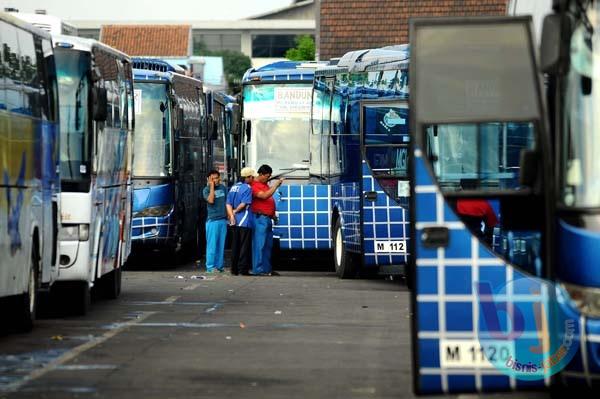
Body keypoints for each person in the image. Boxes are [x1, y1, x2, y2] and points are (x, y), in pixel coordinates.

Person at [250, 164, 283, 276]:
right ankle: (258, 269)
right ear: (261, 174)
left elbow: (268, 201)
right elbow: (264, 196)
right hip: (260, 218)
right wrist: (276, 186)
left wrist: (273, 215)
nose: (268, 178)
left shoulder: (264, 184)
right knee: (259, 245)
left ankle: (266, 268)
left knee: (268, 245)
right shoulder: (254, 185)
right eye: (267, 176)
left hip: (268, 218)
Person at [226, 167, 256, 276]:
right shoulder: (247, 188)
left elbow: (228, 203)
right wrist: (236, 211)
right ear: (247, 177)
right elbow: (244, 204)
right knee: (244, 246)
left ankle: (234, 269)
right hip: (245, 220)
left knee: (235, 245)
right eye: (252, 177)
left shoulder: (234, 187)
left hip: (234, 221)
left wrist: (231, 215)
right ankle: (243, 269)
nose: (253, 179)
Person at [202, 170, 228, 273]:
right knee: (212, 245)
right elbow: (211, 200)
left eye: (217, 178)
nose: (216, 180)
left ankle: (219, 266)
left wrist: (229, 216)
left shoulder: (223, 188)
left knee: (221, 245)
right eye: (213, 178)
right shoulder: (206, 190)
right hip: (212, 220)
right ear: (208, 179)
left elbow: (227, 202)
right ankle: (210, 267)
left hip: (223, 219)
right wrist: (212, 186)